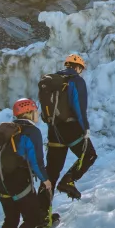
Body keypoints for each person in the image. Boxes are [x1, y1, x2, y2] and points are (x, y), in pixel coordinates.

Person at [0, 98, 53, 228]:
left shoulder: (8, 131)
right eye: (36, 111)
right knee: (32, 217)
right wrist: (45, 180)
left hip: (2, 185)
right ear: (29, 112)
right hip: (20, 183)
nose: (38, 114)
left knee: (10, 220)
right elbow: (36, 160)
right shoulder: (31, 132)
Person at [43, 54, 96, 201]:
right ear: (78, 67)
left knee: (51, 172)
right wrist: (85, 127)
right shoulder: (76, 81)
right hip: (70, 128)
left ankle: (42, 214)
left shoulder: (53, 81)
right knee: (89, 155)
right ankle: (68, 180)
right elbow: (79, 107)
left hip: (53, 129)